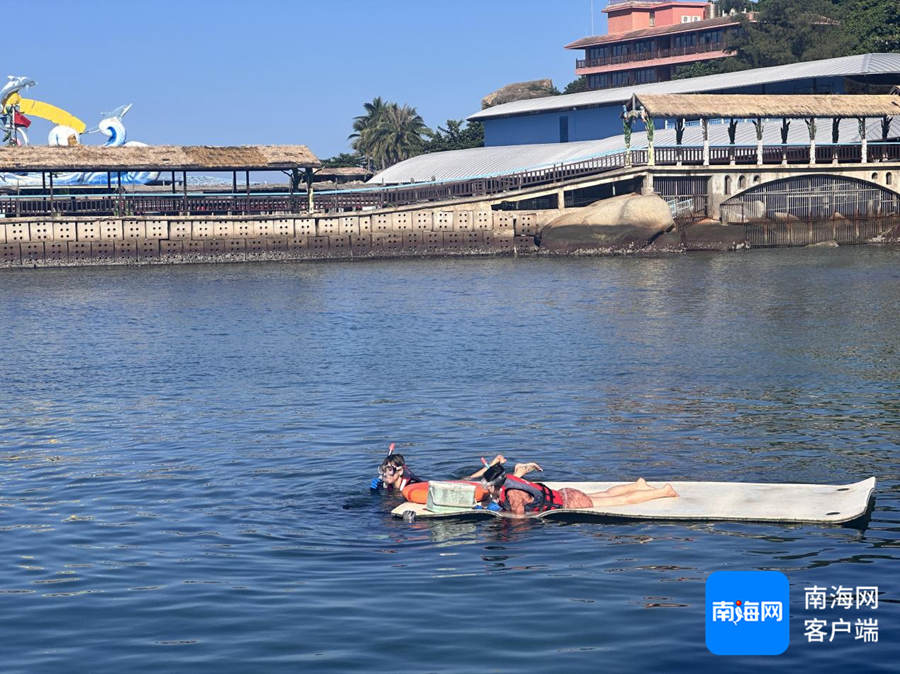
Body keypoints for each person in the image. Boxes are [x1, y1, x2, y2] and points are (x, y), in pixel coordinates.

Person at [479, 462, 677, 517]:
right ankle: (637, 485)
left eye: (489, 487)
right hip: (567, 493)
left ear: (496, 484)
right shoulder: (512, 479)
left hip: (571, 502)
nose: (487, 490)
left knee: (619, 502)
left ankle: (663, 492)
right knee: (605, 494)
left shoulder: (513, 495)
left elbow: (519, 522)